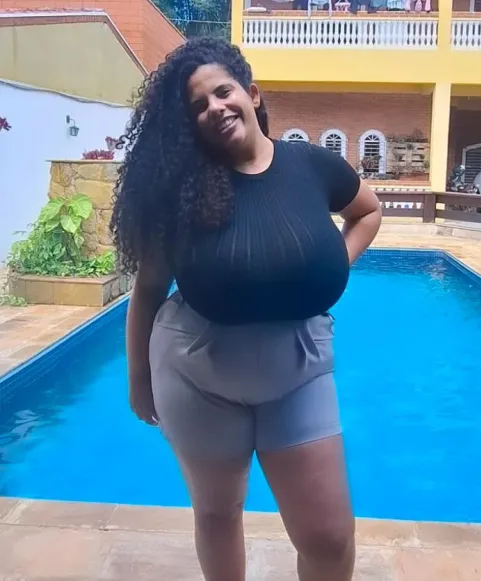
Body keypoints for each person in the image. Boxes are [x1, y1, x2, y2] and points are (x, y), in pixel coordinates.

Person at [110, 37, 382, 581]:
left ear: (251, 94)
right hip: (198, 372)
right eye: (198, 106)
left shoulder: (311, 164)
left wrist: (334, 262)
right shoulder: (181, 193)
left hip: (299, 368)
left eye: (223, 92)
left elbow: (368, 211)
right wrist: (139, 378)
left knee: (329, 537)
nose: (214, 107)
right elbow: (149, 289)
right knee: (217, 514)